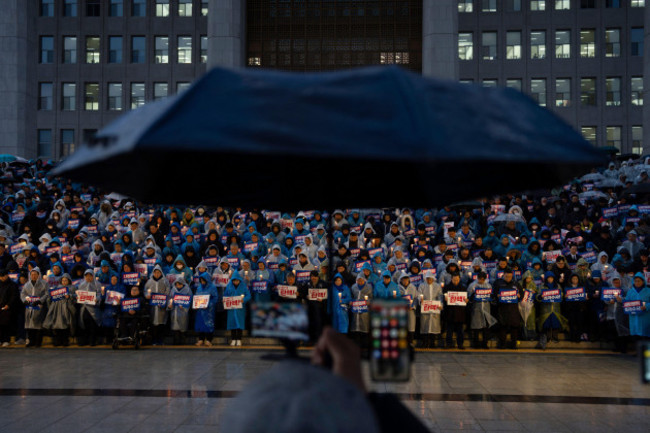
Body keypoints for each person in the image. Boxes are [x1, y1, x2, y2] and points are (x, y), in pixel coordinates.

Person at [536, 272, 568, 350]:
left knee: (555, 322)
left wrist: (563, 295)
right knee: (547, 323)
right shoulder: (542, 286)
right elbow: (537, 296)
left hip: (555, 307)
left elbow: (561, 294)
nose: (550, 279)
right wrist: (541, 296)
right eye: (548, 278)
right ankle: (547, 337)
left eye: (551, 278)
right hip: (546, 308)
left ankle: (555, 337)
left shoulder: (558, 286)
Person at [43, 273, 76, 346]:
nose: (64, 282)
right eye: (63, 280)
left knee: (66, 325)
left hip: (67, 309)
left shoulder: (72, 288)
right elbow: (50, 297)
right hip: (57, 309)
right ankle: (57, 341)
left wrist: (69, 296)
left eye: (66, 280)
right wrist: (50, 305)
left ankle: (65, 341)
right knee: (57, 326)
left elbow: (76, 297)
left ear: (69, 281)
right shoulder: (56, 288)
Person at [467, 271, 496, 349]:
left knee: (485, 327)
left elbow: (492, 298)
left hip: (486, 308)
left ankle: (485, 343)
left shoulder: (488, 286)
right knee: (476, 326)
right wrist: (472, 296)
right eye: (480, 279)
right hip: (476, 308)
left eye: (483, 279)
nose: (481, 281)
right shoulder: (473, 286)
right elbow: (468, 297)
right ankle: (476, 343)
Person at [493, 269, 521, 349]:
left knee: (514, 327)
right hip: (502, 308)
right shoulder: (498, 283)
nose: (508, 278)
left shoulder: (516, 283)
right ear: (503, 275)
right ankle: (502, 344)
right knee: (502, 327)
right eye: (506, 276)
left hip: (513, 309)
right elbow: (493, 294)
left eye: (510, 276)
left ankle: (513, 344)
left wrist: (519, 296)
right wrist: (497, 296)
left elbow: (521, 296)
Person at [73, 269, 102, 346]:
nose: (88, 278)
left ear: (93, 276)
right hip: (84, 307)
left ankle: (92, 341)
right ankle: (84, 340)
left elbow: (100, 294)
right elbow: (77, 294)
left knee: (92, 324)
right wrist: (77, 297)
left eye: (90, 276)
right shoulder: (81, 284)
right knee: (83, 324)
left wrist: (97, 299)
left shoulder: (97, 284)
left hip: (93, 308)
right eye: (87, 276)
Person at [144, 264, 171, 345]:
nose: (157, 274)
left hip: (161, 306)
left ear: (161, 273)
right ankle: (154, 339)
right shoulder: (149, 281)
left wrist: (163, 301)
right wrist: (147, 295)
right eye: (155, 272)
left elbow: (168, 291)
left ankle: (160, 339)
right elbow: (145, 290)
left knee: (161, 323)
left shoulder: (165, 281)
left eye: (158, 272)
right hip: (152, 306)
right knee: (153, 324)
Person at [21, 268, 47, 347]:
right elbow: (23, 294)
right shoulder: (27, 284)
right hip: (29, 307)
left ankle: (38, 342)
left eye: (35, 274)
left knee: (38, 324)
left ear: (39, 275)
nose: (33, 276)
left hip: (39, 306)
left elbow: (46, 294)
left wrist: (40, 301)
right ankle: (30, 341)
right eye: (32, 275)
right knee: (29, 324)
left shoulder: (44, 284)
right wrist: (24, 300)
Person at [224, 271, 251, 346]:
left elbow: (248, 295)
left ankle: (239, 339)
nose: (236, 282)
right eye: (234, 280)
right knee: (232, 323)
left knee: (239, 324)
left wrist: (244, 300)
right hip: (231, 308)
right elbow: (225, 295)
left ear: (239, 280)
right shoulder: (229, 286)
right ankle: (233, 339)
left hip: (240, 309)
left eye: (237, 280)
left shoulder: (243, 286)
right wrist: (226, 301)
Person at [417, 271, 443, 348]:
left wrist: (440, 304)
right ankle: (425, 342)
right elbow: (419, 294)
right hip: (425, 309)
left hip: (434, 309)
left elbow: (440, 296)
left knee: (434, 326)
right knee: (425, 326)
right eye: (427, 279)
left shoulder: (437, 286)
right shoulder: (422, 285)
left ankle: (432, 343)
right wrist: (420, 299)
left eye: (430, 279)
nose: (429, 281)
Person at [194, 271, 220, 346]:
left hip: (209, 310)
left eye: (203, 280)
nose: (202, 282)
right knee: (200, 324)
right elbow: (196, 296)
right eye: (201, 280)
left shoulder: (212, 287)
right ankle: (201, 339)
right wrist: (195, 305)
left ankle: (209, 339)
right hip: (200, 309)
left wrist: (209, 304)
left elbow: (215, 298)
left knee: (209, 324)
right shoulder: (199, 287)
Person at [443, 272, 467, 349]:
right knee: (449, 329)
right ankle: (448, 344)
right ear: (451, 279)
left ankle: (460, 344)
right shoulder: (446, 288)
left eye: (457, 280)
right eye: (454, 280)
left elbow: (465, 301)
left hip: (460, 312)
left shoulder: (463, 288)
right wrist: (445, 299)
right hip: (450, 312)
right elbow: (443, 300)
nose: (455, 281)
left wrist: (466, 301)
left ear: (459, 279)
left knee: (460, 330)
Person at [624, 272, 650, 340]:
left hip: (645, 317)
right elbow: (627, 302)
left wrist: (646, 306)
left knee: (645, 335)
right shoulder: (630, 292)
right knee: (636, 337)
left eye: (639, 281)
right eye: (635, 281)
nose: (637, 282)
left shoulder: (648, 291)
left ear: (643, 281)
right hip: (633, 317)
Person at [349, 274, 372, 348]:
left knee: (364, 328)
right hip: (355, 311)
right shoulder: (353, 287)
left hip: (365, 311)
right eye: (358, 280)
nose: (360, 282)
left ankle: (364, 346)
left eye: (361, 280)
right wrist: (350, 302)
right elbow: (351, 297)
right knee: (356, 328)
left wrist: (369, 302)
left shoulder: (369, 287)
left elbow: (372, 298)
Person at [168, 275, 192, 345]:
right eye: (177, 284)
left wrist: (184, 307)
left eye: (179, 284)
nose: (178, 286)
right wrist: (170, 304)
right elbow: (170, 298)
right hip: (174, 311)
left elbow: (190, 300)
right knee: (175, 326)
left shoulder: (187, 290)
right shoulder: (173, 290)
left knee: (182, 325)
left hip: (183, 312)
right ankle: (176, 340)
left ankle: (183, 339)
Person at [0, 269, 18, 346]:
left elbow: (14, 296)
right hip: (0, 307)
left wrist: (9, 304)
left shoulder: (12, 284)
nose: (1, 278)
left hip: (8, 307)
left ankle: (6, 340)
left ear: (7, 275)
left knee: (6, 324)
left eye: (3, 276)